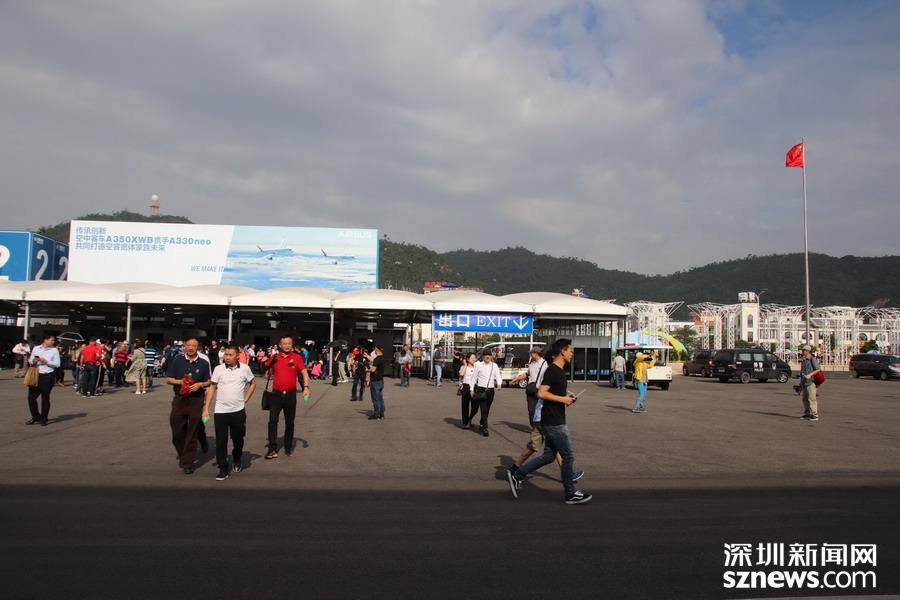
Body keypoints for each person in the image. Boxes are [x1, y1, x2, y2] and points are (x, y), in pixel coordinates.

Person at [507, 338, 592, 505]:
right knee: (568, 456)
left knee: (548, 456)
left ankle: (517, 475)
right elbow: (541, 393)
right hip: (554, 422)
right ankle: (570, 493)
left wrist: (567, 398)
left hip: (552, 419)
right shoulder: (553, 370)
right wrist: (563, 399)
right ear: (562, 352)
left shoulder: (558, 371)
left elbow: (551, 394)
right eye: (570, 350)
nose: (572, 354)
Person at [204, 344, 256, 481]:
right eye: (225, 354)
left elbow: (253, 383)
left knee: (238, 438)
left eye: (230, 355)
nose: (227, 357)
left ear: (237, 356)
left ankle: (237, 457)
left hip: (238, 410)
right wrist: (206, 408)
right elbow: (212, 388)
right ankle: (223, 468)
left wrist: (246, 399)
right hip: (220, 411)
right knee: (221, 440)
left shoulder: (245, 369)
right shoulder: (218, 369)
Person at [165, 338, 213, 475]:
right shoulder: (177, 360)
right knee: (177, 431)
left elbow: (209, 381)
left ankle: (188, 462)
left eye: (194, 346)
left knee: (192, 431)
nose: (191, 348)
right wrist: (180, 382)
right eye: (189, 345)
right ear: (184, 346)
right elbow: (168, 379)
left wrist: (199, 384)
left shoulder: (203, 363)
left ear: (198, 348)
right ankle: (184, 452)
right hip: (180, 399)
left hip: (196, 400)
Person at [260, 335, 310, 459]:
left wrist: (306, 387)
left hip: (290, 395)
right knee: (272, 421)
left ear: (292, 345)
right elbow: (264, 368)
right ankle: (272, 449)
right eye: (285, 343)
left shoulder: (297, 357)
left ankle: (288, 446)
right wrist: (263, 361)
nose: (287, 345)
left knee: (290, 422)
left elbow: (304, 372)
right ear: (280, 345)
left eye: (289, 343)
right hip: (276, 395)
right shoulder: (275, 358)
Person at [25, 334, 60, 426]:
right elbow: (30, 360)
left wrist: (46, 361)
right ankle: (36, 416)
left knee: (45, 397)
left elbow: (57, 364)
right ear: (45, 340)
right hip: (36, 375)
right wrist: (33, 360)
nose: (53, 342)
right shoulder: (36, 348)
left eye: (53, 340)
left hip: (48, 376)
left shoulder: (54, 350)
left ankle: (44, 418)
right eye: (52, 340)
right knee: (31, 398)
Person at [471, 348, 502, 437]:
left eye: (489, 355)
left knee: (487, 409)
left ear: (491, 357)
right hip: (481, 389)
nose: (487, 357)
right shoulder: (478, 365)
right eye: (486, 355)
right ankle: (485, 428)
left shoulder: (494, 366)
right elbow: (474, 378)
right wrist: (471, 389)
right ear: (483, 357)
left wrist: (499, 383)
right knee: (483, 409)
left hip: (491, 391)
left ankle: (482, 423)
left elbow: (498, 376)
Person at [799, 344, 822, 421]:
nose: (802, 351)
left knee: (812, 399)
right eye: (802, 350)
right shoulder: (803, 359)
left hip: (811, 382)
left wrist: (810, 375)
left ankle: (815, 415)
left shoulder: (812, 359)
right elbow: (802, 370)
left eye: (803, 350)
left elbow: (818, 369)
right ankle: (807, 414)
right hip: (804, 382)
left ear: (808, 351)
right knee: (805, 399)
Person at [367, 344, 386, 420]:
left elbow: (373, 369)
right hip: (380, 381)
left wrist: (366, 370)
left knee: (375, 399)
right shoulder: (382, 358)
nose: (374, 350)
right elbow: (373, 360)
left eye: (374, 349)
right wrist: (366, 356)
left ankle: (376, 414)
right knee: (380, 398)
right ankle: (382, 414)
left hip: (375, 381)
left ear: (376, 349)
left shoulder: (377, 359)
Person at [458, 352, 477, 428]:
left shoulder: (476, 367)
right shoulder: (463, 367)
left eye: (474, 358)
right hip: (466, 387)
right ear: (468, 359)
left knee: (475, 406)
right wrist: (465, 365)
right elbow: (461, 374)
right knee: (465, 406)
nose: (474, 359)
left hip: (475, 387)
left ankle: (469, 419)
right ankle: (465, 423)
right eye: (472, 358)